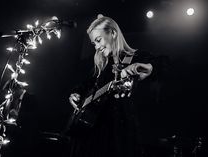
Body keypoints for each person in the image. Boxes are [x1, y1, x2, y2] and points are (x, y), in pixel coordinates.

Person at [66, 14, 155, 157]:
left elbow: (161, 65)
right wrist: (76, 93)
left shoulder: (134, 58)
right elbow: (85, 85)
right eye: (94, 43)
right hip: (91, 132)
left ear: (113, 33)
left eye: (98, 40)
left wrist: (149, 67)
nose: (97, 47)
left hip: (117, 133)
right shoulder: (101, 64)